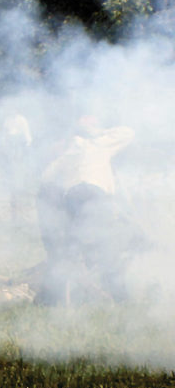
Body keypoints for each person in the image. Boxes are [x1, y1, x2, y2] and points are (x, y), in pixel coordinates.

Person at [37, 117, 135, 304]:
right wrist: (100, 132)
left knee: (73, 248)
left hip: (71, 199)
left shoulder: (69, 152)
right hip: (94, 195)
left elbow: (47, 178)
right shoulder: (98, 145)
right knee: (106, 248)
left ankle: (55, 296)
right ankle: (119, 297)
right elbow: (128, 132)